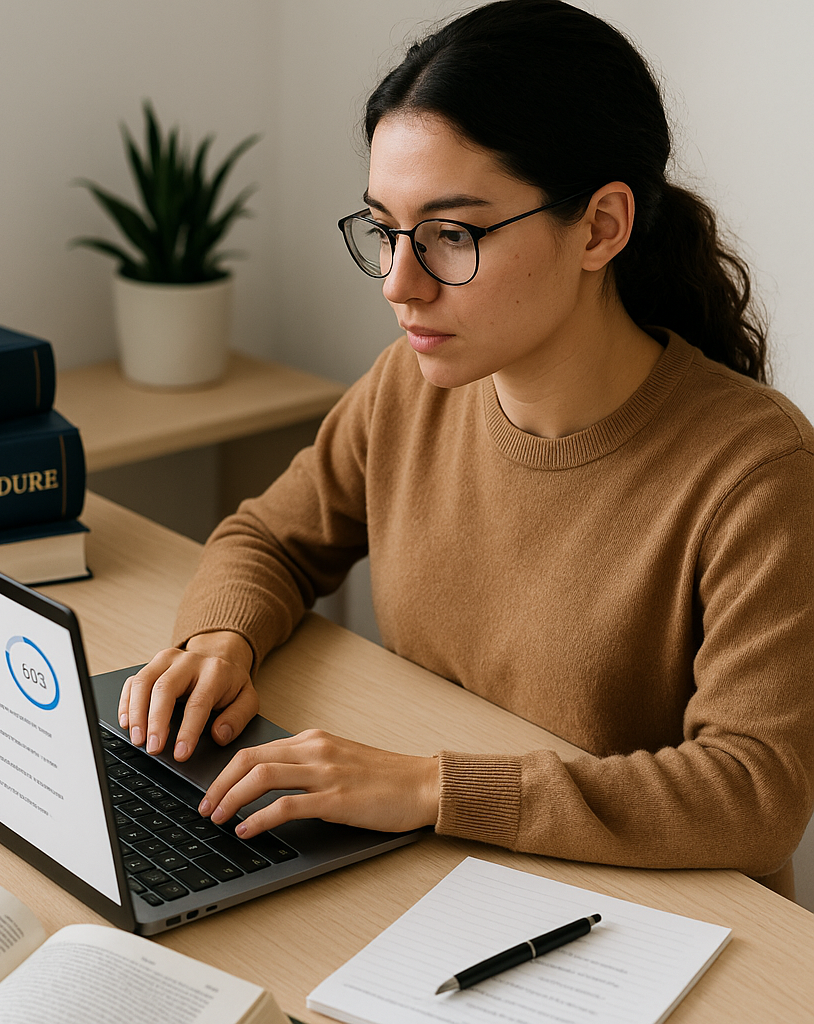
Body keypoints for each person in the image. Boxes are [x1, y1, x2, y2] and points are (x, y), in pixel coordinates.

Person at [118, 0, 814, 895]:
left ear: (601, 227)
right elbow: (270, 539)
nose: (400, 285)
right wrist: (221, 641)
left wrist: (429, 786)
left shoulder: (756, 470)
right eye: (386, 230)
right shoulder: (407, 388)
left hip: (640, 917)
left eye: (452, 235)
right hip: (437, 869)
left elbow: (755, 794)